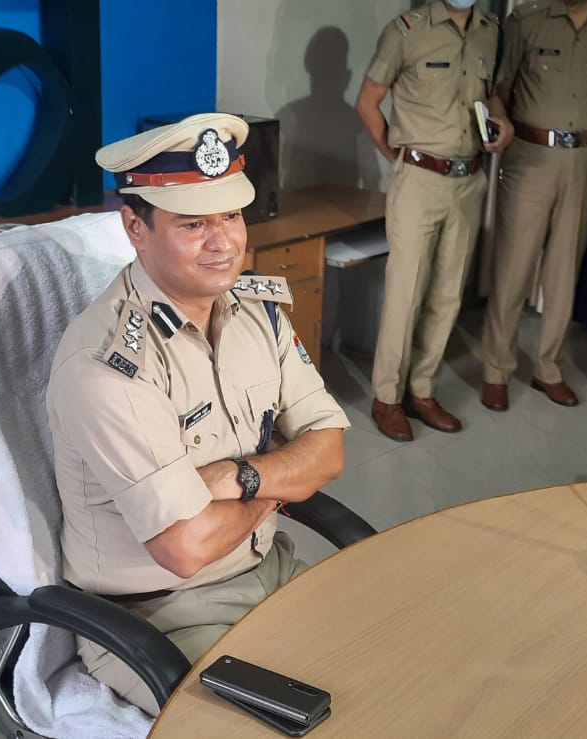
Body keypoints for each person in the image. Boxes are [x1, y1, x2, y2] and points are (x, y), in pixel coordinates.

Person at [47, 113, 351, 713]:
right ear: (135, 228)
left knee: (396, 666)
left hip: (270, 570)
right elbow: (185, 547)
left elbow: (329, 448)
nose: (224, 243)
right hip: (160, 618)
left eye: (231, 216)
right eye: (193, 224)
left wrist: (238, 478)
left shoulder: (257, 312)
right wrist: (277, 484)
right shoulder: (110, 365)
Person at [357, 0, 512, 441]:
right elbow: (368, 103)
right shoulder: (407, 30)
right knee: (405, 293)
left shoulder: (491, 31)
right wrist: (396, 157)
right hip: (419, 180)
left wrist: (502, 121)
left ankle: (422, 391)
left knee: (448, 293)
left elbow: (491, 94)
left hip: (469, 180)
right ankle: (387, 398)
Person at [480, 0, 587, 411]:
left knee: (565, 267)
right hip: (530, 154)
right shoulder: (527, 20)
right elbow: (502, 85)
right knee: (512, 267)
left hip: (585, 157)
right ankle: (496, 369)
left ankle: (549, 368)